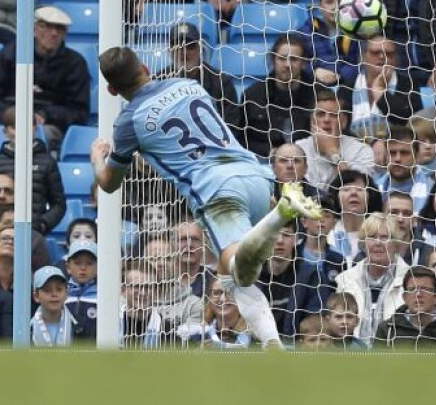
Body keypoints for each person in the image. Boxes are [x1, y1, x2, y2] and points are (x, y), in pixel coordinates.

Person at [90, 47, 324, 349]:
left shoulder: (129, 122)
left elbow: (108, 183)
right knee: (232, 280)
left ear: (111, 90)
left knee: (239, 266)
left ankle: (280, 214)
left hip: (217, 191)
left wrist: (98, 158)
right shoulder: (188, 84)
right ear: (146, 67)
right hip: (254, 175)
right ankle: (272, 342)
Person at [0, 6, 91, 145]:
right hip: (7, 120)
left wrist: (46, 115)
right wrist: (10, 116)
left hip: (48, 125)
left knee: (42, 135)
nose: (53, 33)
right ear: (34, 29)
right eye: (47, 26)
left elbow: (78, 111)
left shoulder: (74, 63)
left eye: (59, 29)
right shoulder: (11, 54)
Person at [0, 107, 65, 235]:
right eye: (15, 127)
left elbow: (59, 205)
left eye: (27, 126)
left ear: (35, 128)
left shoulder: (47, 162)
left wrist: (42, 225)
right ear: (5, 132)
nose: (21, 132)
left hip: (33, 234)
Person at [334, 212, 410, 343]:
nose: (378, 243)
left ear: (396, 244)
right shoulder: (344, 280)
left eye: (385, 237)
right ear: (364, 243)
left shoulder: (410, 281)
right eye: (372, 237)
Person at [240, 34, 317, 158]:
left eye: (294, 59)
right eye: (282, 58)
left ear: (303, 63)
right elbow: (241, 139)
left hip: (310, 162)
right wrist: (268, 151)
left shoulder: (318, 95)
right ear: (273, 60)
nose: (287, 65)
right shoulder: (253, 96)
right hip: (264, 162)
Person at [153, 22, 241, 131]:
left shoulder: (221, 82)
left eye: (190, 46)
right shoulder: (158, 82)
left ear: (199, 48)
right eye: (178, 46)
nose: (184, 52)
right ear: (169, 50)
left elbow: (232, 125)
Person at [295, 90, 376, 187]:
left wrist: (333, 153)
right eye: (320, 114)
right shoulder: (299, 148)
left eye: (333, 115)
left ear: (343, 122)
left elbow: (357, 188)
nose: (326, 120)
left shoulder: (362, 151)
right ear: (312, 121)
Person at [380, 265, 436, 348]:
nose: (418, 294)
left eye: (425, 289)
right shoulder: (387, 330)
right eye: (412, 289)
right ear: (405, 297)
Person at [29, 266, 85, 346]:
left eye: (59, 289)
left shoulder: (80, 326)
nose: (54, 294)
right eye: (47, 290)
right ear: (36, 296)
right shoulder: (27, 330)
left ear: (66, 293)